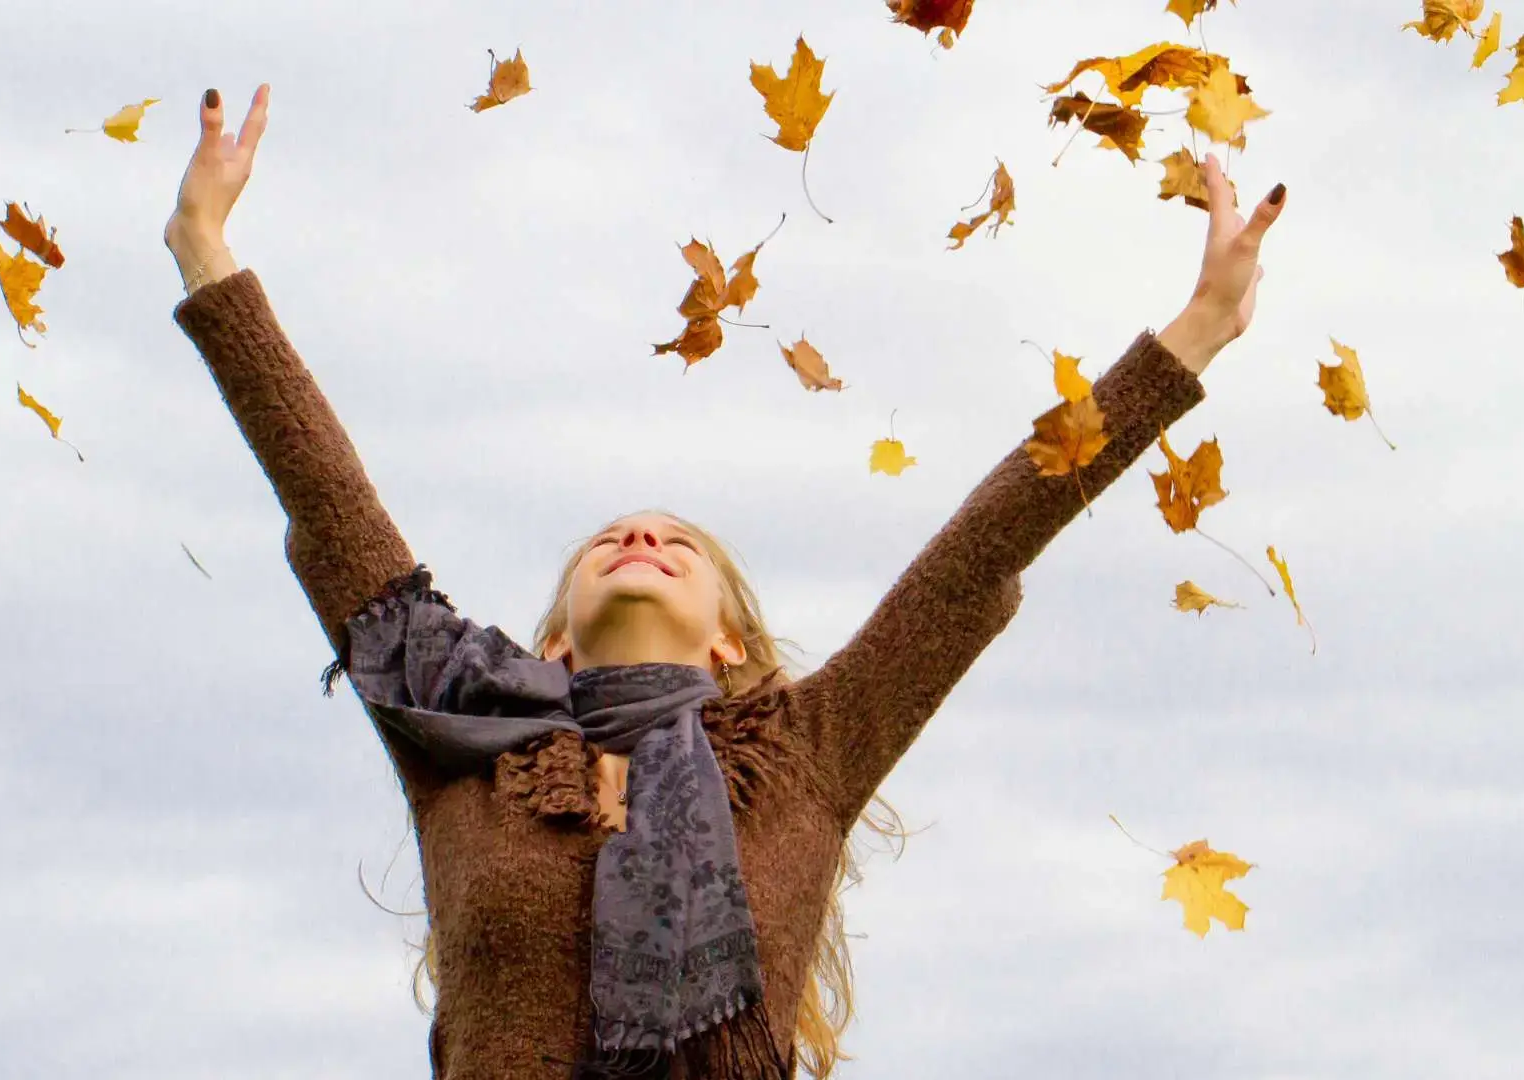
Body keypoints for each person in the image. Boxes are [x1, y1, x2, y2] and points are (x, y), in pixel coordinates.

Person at [164, 83, 1284, 1080]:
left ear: (726, 645)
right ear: (554, 647)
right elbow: (331, 505)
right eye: (611, 539)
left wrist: (1193, 333)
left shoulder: (807, 755)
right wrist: (204, 249)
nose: (641, 534)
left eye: (677, 543)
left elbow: (980, 553)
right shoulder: (461, 745)